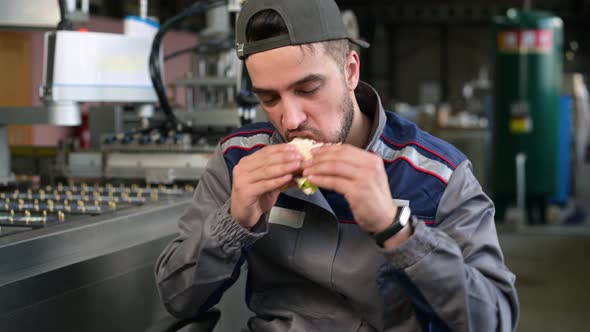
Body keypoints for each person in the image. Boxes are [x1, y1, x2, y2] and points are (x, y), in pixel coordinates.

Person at [155, 0, 519, 331]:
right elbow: (178, 299)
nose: (291, 120)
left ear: (350, 70)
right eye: (269, 98)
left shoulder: (437, 176)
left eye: (308, 89)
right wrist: (231, 223)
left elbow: (493, 321)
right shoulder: (239, 161)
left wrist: (399, 231)